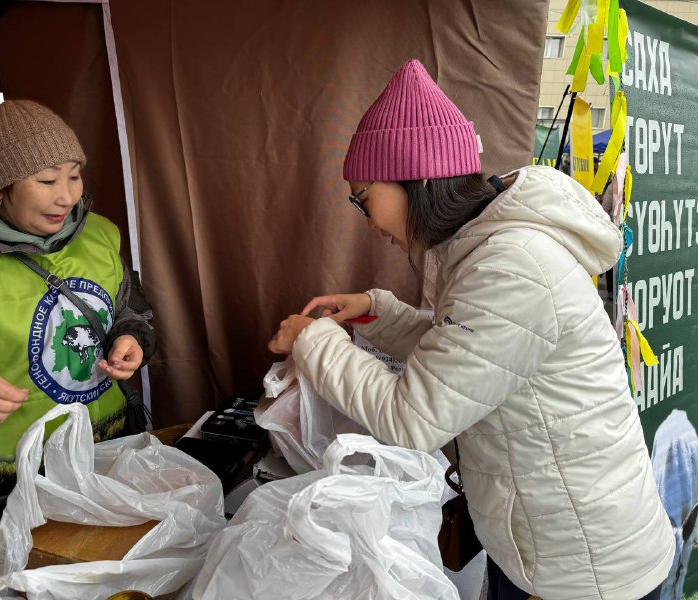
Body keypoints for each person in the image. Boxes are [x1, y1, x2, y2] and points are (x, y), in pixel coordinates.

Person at [269, 59, 673, 599]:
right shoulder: (482, 250)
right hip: (539, 546)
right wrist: (374, 312)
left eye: (364, 199)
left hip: (584, 569)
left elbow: (414, 416)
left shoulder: (512, 265)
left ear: (420, 179)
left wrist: (312, 339)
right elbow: (466, 361)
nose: (366, 220)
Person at [0, 100, 156, 571]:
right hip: (1, 481)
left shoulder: (99, 235)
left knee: (108, 575)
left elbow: (132, 310)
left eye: (74, 175)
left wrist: (132, 338)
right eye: (46, 180)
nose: (67, 196)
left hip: (104, 453)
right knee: (22, 580)